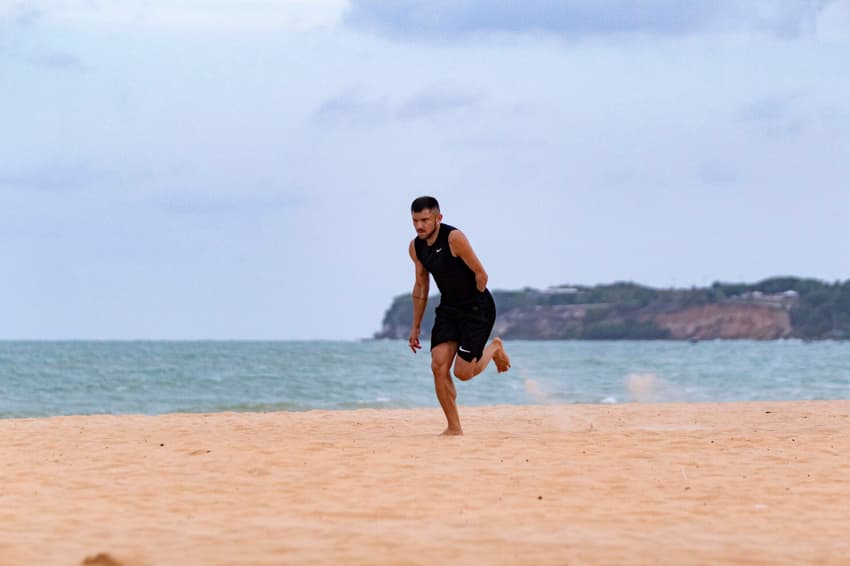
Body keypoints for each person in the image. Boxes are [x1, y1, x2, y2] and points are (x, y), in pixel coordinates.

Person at [408, 196, 510, 436]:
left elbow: (481, 274)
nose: (419, 226)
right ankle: (454, 427)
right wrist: (415, 326)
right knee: (438, 364)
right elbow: (421, 286)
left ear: (438, 218)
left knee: (463, 373)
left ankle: (494, 348)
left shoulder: (454, 238)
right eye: (415, 221)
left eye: (424, 219)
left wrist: (473, 305)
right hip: (449, 309)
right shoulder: (416, 247)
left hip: (476, 308)